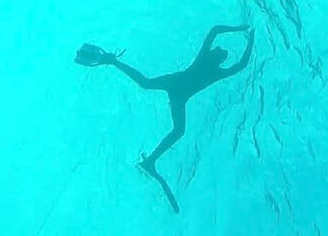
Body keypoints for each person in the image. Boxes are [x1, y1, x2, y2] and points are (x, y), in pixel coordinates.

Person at [74, 24, 255, 212]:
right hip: (179, 88)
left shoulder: (212, 67)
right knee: (152, 92)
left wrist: (245, 34)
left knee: (174, 123)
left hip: (179, 91)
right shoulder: (212, 67)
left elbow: (234, 57)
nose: (218, 50)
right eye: (219, 49)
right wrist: (244, 32)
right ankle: (112, 62)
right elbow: (218, 35)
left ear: (218, 58)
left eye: (220, 52)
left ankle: (150, 161)